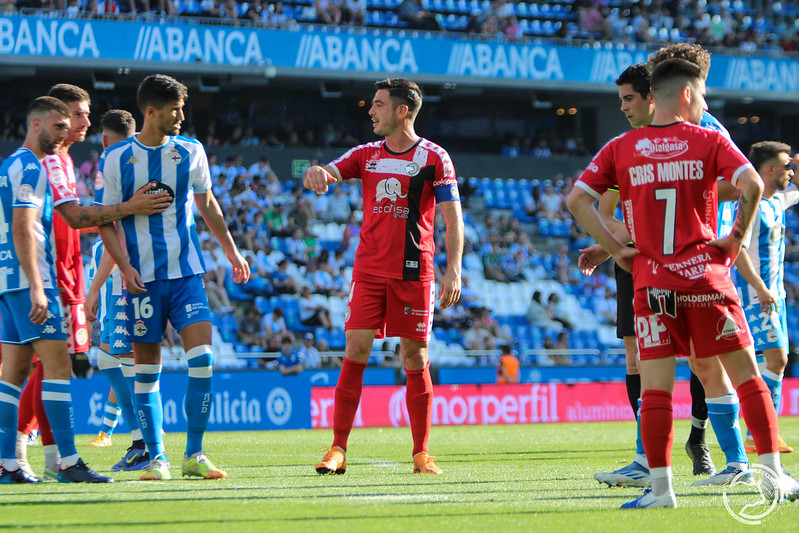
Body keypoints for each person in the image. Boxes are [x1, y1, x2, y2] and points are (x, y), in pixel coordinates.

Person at [568, 58, 798, 509]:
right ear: (689, 94)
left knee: (655, 387)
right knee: (747, 377)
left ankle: (660, 490)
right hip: (706, 279)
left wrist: (615, 251)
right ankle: (773, 476)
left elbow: (578, 200)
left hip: (652, 283)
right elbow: (752, 183)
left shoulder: (621, 146)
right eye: (704, 94)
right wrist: (734, 240)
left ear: (653, 95)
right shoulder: (708, 140)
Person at [584, 54, 749, 489]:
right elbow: (607, 210)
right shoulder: (630, 144)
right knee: (641, 361)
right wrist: (610, 249)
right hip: (641, 265)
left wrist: (688, 188)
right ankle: (647, 459)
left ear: (655, 96)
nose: (624, 107)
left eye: (629, 98)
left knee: (703, 363)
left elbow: (740, 183)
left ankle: (731, 456)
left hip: (690, 263)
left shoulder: (705, 130)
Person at [0, 96, 167, 484]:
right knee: (57, 368)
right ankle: (67, 462)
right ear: (36, 124)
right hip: (31, 281)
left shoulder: (8, 165)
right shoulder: (32, 168)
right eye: (59, 126)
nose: (65, 133)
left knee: (13, 374)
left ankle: (7, 461)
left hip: (7, 281)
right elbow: (32, 226)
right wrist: (39, 288)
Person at [305, 78, 463, 475]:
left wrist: (454, 269)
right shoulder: (366, 154)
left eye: (378, 105)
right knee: (355, 348)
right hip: (369, 271)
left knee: (415, 356)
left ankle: (421, 453)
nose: (371, 111)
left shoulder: (434, 158)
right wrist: (318, 173)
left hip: (415, 272)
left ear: (401, 111)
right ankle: (337, 449)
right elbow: (332, 170)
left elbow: (452, 217)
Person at [96, 74, 250, 481]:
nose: (182, 116)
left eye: (183, 109)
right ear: (151, 112)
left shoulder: (191, 151)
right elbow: (104, 220)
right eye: (174, 110)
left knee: (203, 360)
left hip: (187, 275)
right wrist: (125, 267)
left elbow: (208, 202)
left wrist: (231, 250)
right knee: (148, 372)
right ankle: (157, 457)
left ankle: (194, 454)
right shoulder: (116, 159)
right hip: (142, 280)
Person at [84, 109, 150, 473]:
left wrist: (93, 290)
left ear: (106, 139)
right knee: (112, 361)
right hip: (123, 275)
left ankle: (144, 444)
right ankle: (139, 440)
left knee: (124, 364)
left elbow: (115, 236)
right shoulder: (137, 162)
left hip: (128, 280)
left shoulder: (115, 166)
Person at [734, 141, 797, 454]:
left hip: (775, 297)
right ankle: (757, 431)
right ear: (769, 169)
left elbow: (796, 187)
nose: (791, 171)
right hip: (755, 296)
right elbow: (737, 250)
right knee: (776, 359)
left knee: (776, 361)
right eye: (786, 166)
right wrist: (759, 287)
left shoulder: (777, 201)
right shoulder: (753, 204)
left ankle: (758, 428)